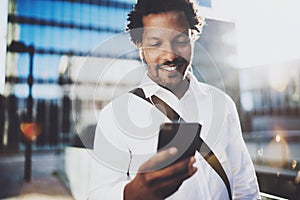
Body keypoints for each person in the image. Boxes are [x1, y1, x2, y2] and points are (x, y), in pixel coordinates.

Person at [88, 0, 260, 199]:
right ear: (139, 46)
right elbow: (97, 194)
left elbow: (244, 183)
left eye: (180, 41)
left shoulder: (222, 103)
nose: (170, 55)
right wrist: (131, 193)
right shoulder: (114, 115)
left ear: (193, 38)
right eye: (155, 43)